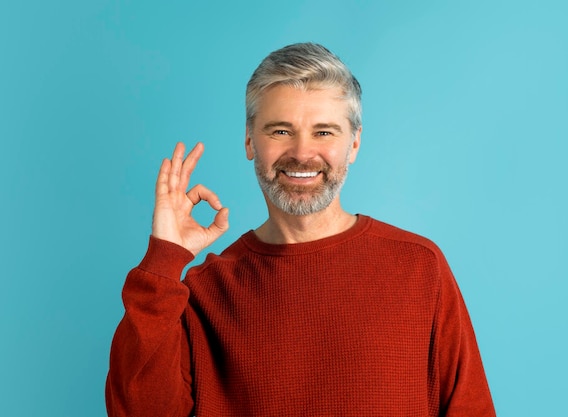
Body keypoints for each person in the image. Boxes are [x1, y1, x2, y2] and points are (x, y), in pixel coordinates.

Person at [105, 42, 496, 417]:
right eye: (280, 131)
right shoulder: (206, 291)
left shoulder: (419, 267)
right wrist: (163, 259)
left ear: (354, 144)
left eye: (324, 132)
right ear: (249, 142)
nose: (302, 153)